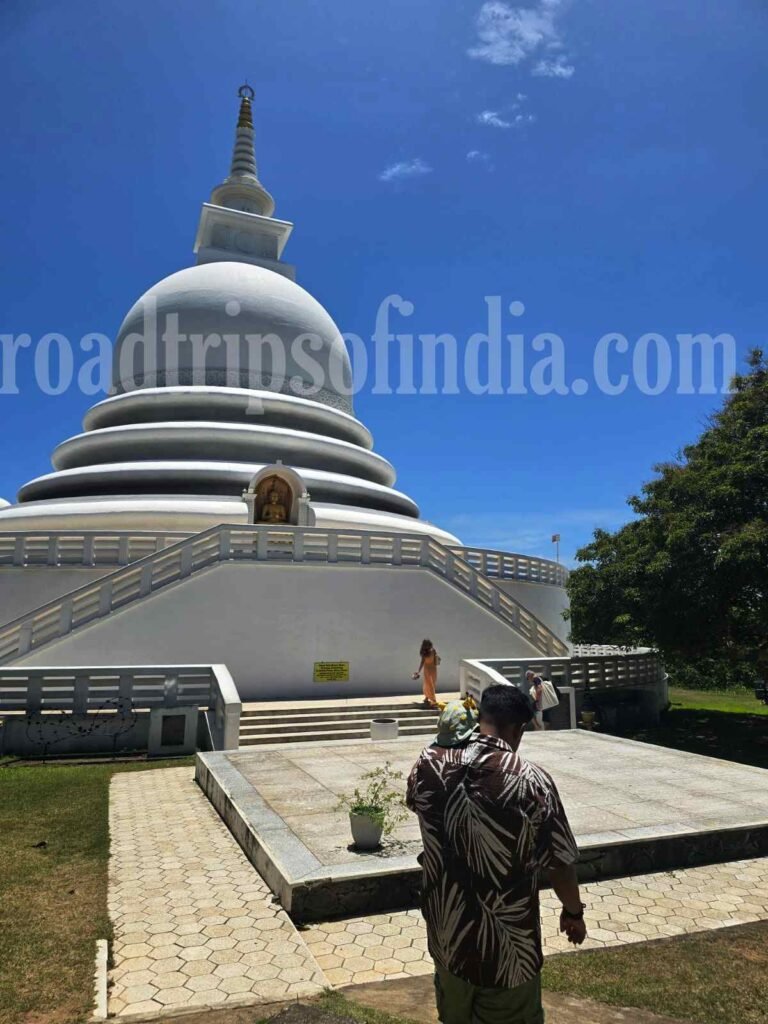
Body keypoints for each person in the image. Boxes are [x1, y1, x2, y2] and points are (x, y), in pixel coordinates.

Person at [407, 684, 586, 1024]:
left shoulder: (428, 764)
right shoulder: (530, 780)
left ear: (481, 717)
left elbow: (418, 805)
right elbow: (559, 861)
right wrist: (573, 912)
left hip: (448, 935)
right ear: (519, 729)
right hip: (508, 949)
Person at [413, 638, 440, 708]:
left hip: (433, 668)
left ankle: (427, 698)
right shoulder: (424, 652)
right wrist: (418, 671)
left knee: (432, 684)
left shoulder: (432, 650)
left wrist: (437, 657)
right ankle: (433, 701)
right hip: (427, 669)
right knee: (429, 684)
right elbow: (422, 662)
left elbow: (436, 658)